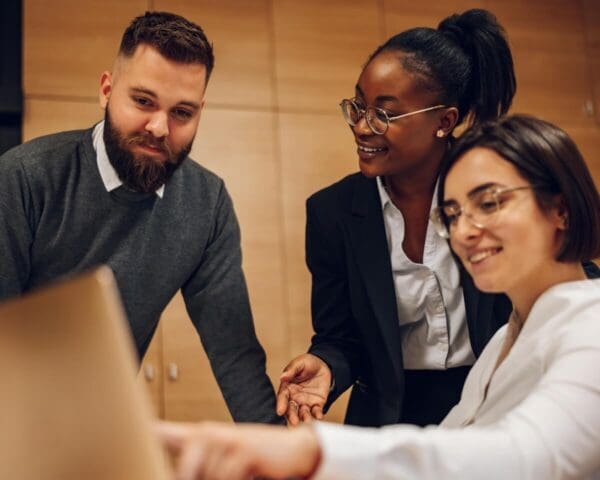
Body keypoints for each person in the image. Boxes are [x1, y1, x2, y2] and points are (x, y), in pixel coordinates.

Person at [157, 114, 600, 480]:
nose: (463, 231)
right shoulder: (507, 341)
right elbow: (452, 442)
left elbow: (528, 456)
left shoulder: (591, 322)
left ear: (560, 208)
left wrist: (312, 451)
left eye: (489, 203)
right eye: (453, 214)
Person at [0, 11, 281, 424]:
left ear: (200, 111)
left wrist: (278, 455)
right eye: (143, 101)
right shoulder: (24, 176)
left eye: (182, 113)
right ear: (106, 90)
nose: (159, 127)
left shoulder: (208, 203)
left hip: (102, 423)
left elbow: (234, 351)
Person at [277, 8, 519, 427]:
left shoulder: (497, 188)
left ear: (444, 121)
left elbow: (558, 277)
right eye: (358, 106)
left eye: (384, 114)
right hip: (387, 417)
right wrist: (326, 367)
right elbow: (341, 336)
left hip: (494, 407)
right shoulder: (332, 212)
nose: (361, 127)